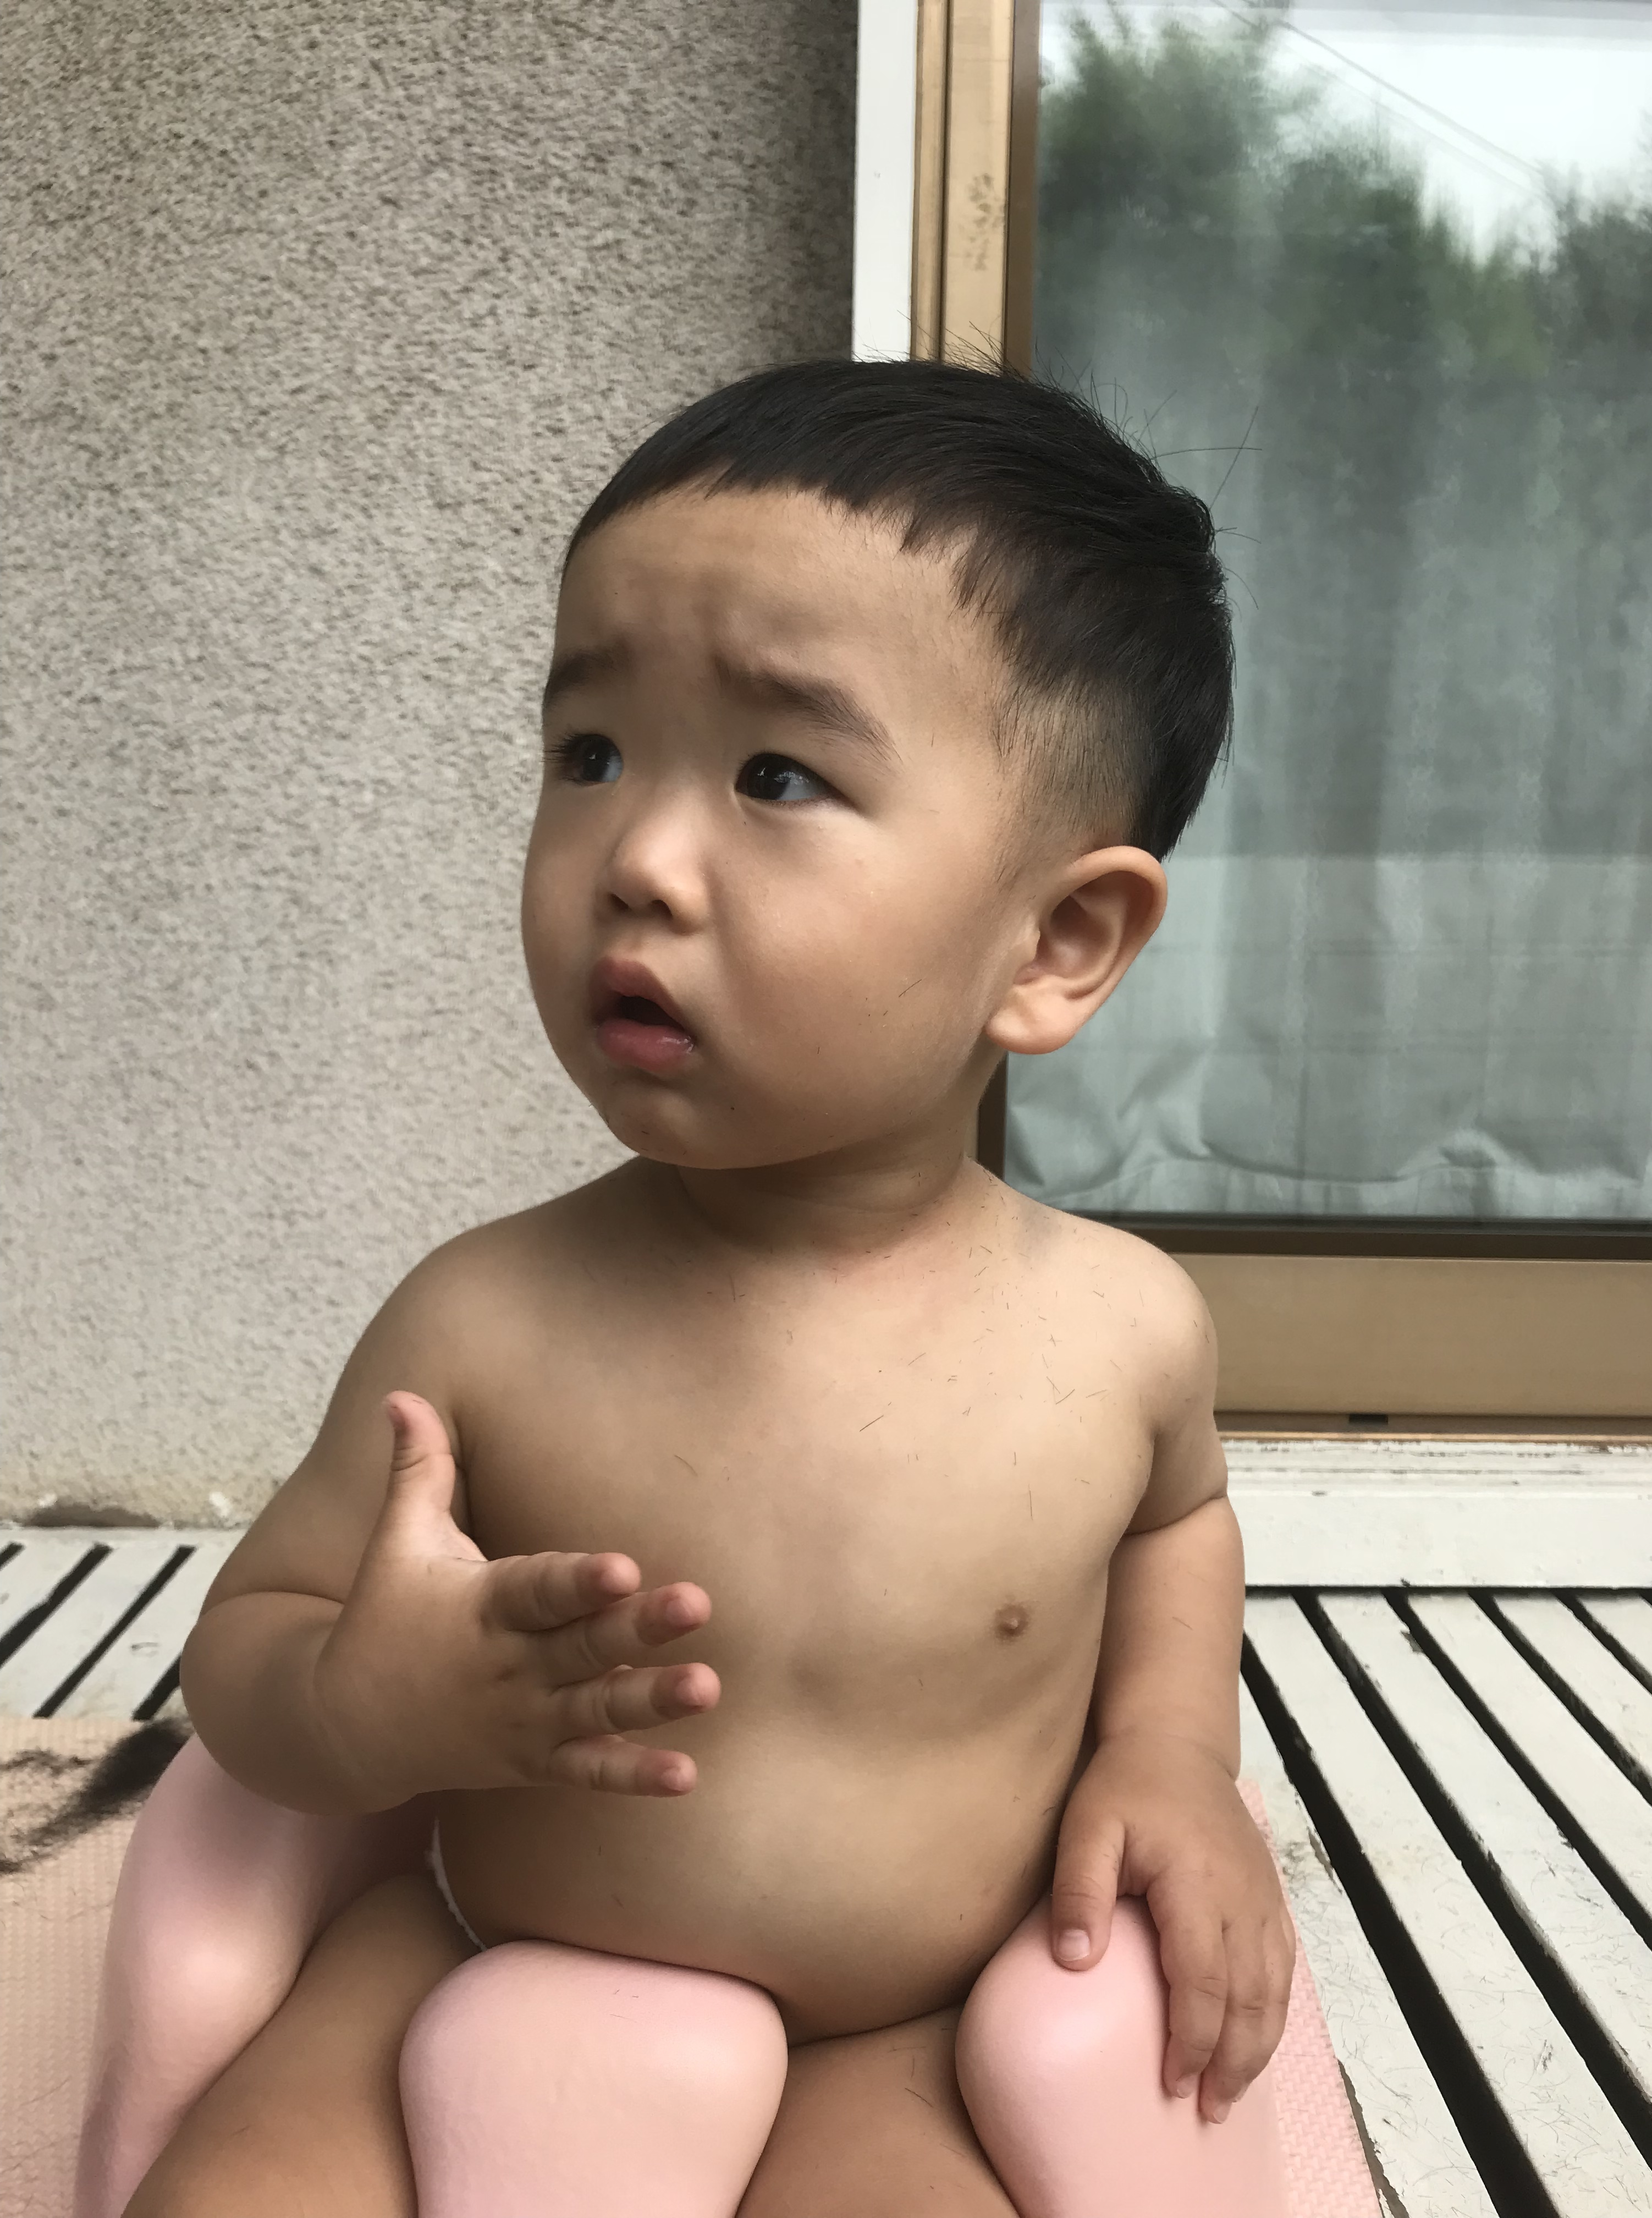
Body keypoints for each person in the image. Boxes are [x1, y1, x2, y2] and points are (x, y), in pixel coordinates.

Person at [115, 359, 1295, 2216]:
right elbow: (250, 1642)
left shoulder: (1117, 1332)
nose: (639, 862)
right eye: (589, 754)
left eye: (776, 776)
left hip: (886, 2034)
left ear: (1057, 942)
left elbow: (1176, 1527)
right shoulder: (484, 1322)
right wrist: (364, 1701)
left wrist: (1169, 1754)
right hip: (479, 1942)